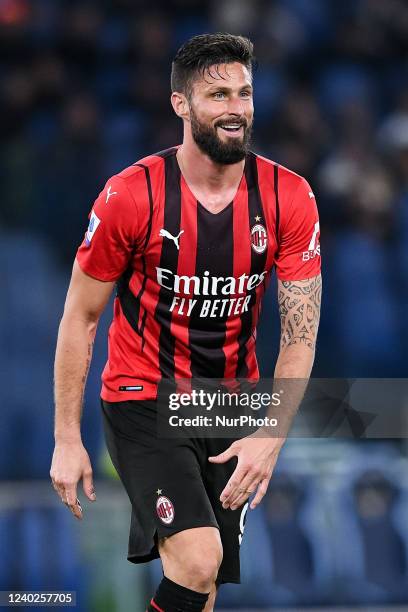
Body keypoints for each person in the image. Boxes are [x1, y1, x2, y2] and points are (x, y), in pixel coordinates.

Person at [50, 33, 321, 612]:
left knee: (204, 585)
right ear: (181, 105)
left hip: (230, 402)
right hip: (142, 394)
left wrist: (270, 433)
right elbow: (81, 316)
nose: (236, 108)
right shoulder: (128, 196)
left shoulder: (290, 197)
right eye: (218, 94)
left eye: (244, 93)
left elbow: (300, 333)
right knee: (199, 559)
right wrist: (67, 437)